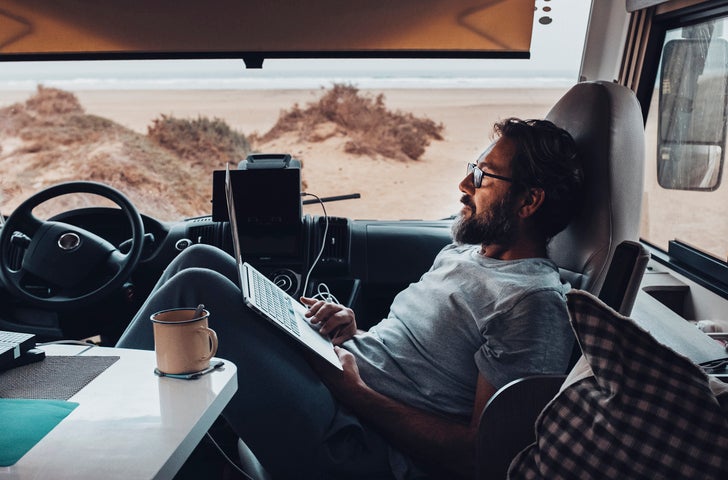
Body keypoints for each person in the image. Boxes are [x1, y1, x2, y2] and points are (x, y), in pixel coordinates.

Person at [116, 117, 584, 479]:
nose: (465, 187)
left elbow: (483, 458)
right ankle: (104, 409)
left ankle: (88, 414)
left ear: (529, 202)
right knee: (201, 256)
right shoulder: (464, 254)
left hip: (358, 440)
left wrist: (354, 391)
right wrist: (351, 329)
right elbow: (421, 358)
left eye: (483, 177)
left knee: (199, 287)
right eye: (472, 170)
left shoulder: (533, 303)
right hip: (337, 379)